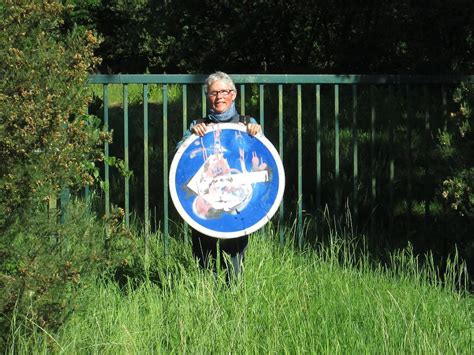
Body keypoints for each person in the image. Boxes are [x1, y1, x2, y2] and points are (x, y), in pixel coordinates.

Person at [177, 71, 262, 281]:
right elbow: (181, 157)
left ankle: (233, 293)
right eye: (213, 93)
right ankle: (206, 290)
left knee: (234, 252)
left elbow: (262, 159)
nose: (219, 97)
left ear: (233, 95)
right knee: (203, 250)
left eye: (223, 91)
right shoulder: (198, 125)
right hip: (205, 199)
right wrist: (191, 138)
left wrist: (257, 134)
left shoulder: (247, 123)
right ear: (208, 96)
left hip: (237, 200)